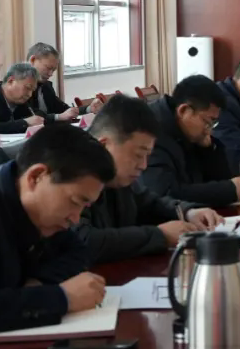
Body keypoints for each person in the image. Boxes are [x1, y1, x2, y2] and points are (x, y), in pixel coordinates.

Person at [0, 124, 115, 349]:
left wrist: (37, 284)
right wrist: (62, 298)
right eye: (74, 202)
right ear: (36, 176)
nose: (75, 218)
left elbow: (78, 251)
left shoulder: (34, 206)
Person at [76, 95, 223, 265]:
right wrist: (160, 235)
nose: (143, 165)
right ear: (104, 146)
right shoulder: (71, 174)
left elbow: (150, 203)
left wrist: (189, 212)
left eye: (147, 156)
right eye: (138, 155)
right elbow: (84, 241)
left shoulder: (118, 178)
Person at [140, 75, 240, 207]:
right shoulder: (151, 132)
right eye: (207, 121)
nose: (209, 129)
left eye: (213, 123)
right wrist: (230, 191)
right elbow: (164, 194)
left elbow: (221, 179)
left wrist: (208, 150)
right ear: (184, 111)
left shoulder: (188, 131)